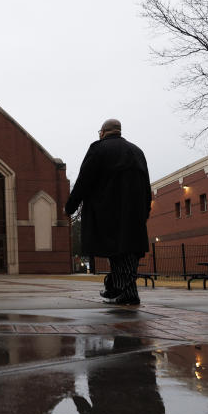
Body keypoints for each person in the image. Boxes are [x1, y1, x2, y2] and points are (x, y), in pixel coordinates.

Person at [64, 119, 151, 305]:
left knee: (118, 252)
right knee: (127, 252)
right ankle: (119, 288)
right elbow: (146, 185)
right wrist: (146, 211)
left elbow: (84, 180)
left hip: (108, 211)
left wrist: (71, 206)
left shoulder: (98, 149)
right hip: (134, 213)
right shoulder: (137, 151)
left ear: (103, 132)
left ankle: (123, 290)